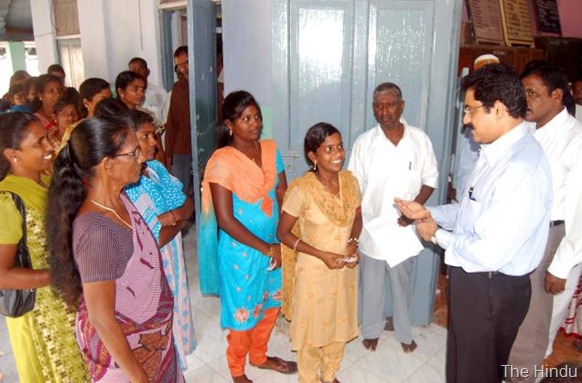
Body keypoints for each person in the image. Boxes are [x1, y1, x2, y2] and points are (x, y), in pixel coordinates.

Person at [395, 63, 552, 383]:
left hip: (492, 286)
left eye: (470, 111)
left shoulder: (519, 169)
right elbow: (470, 210)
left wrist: (436, 235)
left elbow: (491, 252)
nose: (466, 121)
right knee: (465, 362)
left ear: (498, 109)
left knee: (477, 372)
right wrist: (429, 213)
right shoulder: (496, 152)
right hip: (476, 279)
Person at [46, 117, 183, 382]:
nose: (141, 158)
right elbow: (101, 318)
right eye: (133, 153)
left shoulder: (120, 199)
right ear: (108, 165)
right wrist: (138, 376)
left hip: (152, 342)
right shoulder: (97, 232)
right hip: (129, 360)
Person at [199, 90, 296, 383]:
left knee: (270, 303)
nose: (255, 124)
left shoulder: (269, 150)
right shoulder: (222, 162)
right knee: (243, 313)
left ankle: (260, 356)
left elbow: (282, 192)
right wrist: (269, 249)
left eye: (257, 117)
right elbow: (226, 221)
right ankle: (237, 369)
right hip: (242, 251)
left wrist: (285, 236)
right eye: (246, 119)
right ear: (230, 124)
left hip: (274, 243)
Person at [347, 82, 438, 353]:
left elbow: (430, 179)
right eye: (378, 105)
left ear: (402, 106)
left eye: (389, 104)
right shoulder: (365, 143)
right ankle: (372, 330)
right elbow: (355, 186)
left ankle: (404, 333)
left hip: (403, 229)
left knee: (402, 284)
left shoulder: (419, 140)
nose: (384, 111)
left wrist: (413, 211)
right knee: (372, 285)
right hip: (373, 229)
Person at [0, 112, 89, 382]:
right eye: (39, 142)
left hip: (70, 298)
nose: (51, 146)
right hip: (41, 315)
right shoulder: (7, 200)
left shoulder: (48, 182)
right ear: (13, 154)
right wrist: (58, 274)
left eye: (47, 138)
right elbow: (2, 275)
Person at [506, 65, 582, 381]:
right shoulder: (529, 130)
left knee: (540, 332)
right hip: (525, 236)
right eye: (522, 92)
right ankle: (514, 373)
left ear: (556, 96)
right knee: (520, 323)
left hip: (556, 243)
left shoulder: (574, 140)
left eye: (532, 93)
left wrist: (561, 265)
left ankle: (528, 377)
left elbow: (579, 211)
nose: (525, 100)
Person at [277, 122, 362, 383]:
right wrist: (320, 254)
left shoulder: (350, 182)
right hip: (314, 271)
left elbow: (358, 216)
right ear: (313, 156)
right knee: (312, 330)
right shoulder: (302, 190)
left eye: (339, 146)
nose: (338, 153)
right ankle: (309, 378)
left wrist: (353, 241)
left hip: (344, 270)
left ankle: (330, 374)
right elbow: (283, 233)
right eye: (328, 149)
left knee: (339, 322)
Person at [124, 110, 196, 370]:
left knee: (177, 303)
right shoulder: (127, 186)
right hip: (151, 265)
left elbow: (187, 202)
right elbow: (151, 240)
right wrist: (181, 220)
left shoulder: (154, 169)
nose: (154, 142)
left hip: (172, 256)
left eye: (153, 135)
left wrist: (177, 215)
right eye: (145, 136)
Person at [165, 46, 192, 193]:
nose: (183, 69)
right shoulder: (177, 88)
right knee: (180, 189)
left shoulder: (207, 84)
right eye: (179, 65)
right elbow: (172, 122)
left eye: (186, 63)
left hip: (204, 145)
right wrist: (169, 153)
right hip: (181, 147)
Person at [128, 57, 169, 122]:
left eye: (140, 69)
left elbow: (167, 120)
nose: (137, 73)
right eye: (133, 71)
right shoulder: (127, 95)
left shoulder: (160, 93)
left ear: (148, 71)